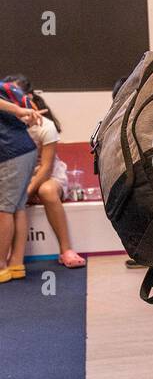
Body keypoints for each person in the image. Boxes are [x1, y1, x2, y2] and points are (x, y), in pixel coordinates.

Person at [2, 76, 86, 268]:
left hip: (46, 177)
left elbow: (46, 168)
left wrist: (26, 191)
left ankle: (66, 250)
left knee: (46, 191)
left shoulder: (44, 127)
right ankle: (11, 258)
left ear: (28, 97)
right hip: (18, 178)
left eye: (15, 95)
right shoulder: (6, 130)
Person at [0, 79, 42, 284]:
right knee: (17, 207)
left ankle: (1, 265)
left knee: (4, 209)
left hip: (11, 152)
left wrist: (18, 111)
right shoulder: (6, 88)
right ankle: (16, 263)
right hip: (23, 150)